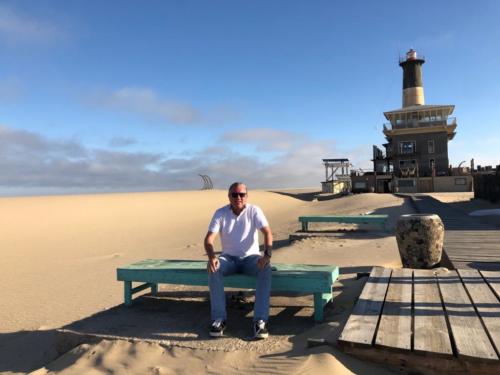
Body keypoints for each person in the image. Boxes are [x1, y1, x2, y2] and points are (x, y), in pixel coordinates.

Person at [204, 182, 273, 339]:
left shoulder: (254, 211)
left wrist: (267, 255)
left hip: (251, 258)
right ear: (229, 196)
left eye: (242, 194)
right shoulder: (221, 213)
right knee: (213, 268)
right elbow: (209, 239)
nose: (238, 198)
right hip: (228, 259)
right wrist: (212, 257)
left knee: (266, 268)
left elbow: (267, 233)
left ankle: (260, 321)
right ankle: (219, 319)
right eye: (234, 194)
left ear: (247, 196)